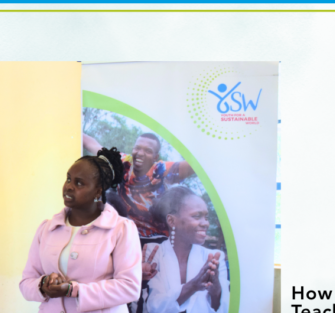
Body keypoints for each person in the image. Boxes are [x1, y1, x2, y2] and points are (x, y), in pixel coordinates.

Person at [19, 147, 142, 313]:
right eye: (68, 179)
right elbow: (26, 282)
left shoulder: (121, 229)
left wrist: (73, 290)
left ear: (98, 191)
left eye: (79, 183)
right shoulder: (46, 228)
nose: (69, 187)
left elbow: (129, 287)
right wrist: (43, 284)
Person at [83, 133, 196, 242]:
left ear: (155, 157)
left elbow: (193, 165)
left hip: (156, 239)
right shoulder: (122, 162)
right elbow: (92, 144)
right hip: (126, 235)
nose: (140, 153)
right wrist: (75, 129)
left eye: (148, 151)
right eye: (137, 148)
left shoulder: (161, 170)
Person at [146, 187, 229, 313]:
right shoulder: (153, 253)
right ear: (171, 221)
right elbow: (154, 307)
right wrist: (193, 286)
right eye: (197, 216)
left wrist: (216, 291)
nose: (205, 223)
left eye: (206, 217)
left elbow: (225, 308)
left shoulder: (214, 258)